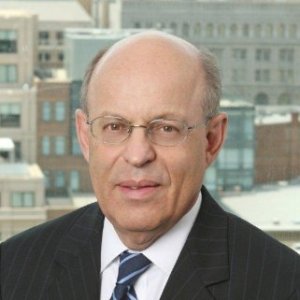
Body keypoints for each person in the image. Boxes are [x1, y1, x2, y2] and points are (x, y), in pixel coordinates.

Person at [1, 31, 299, 300]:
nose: (138, 154)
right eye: (115, 126)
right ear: (85, 136)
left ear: (212, 140)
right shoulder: (13, 269)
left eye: (166, 128)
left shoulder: (283, 286)